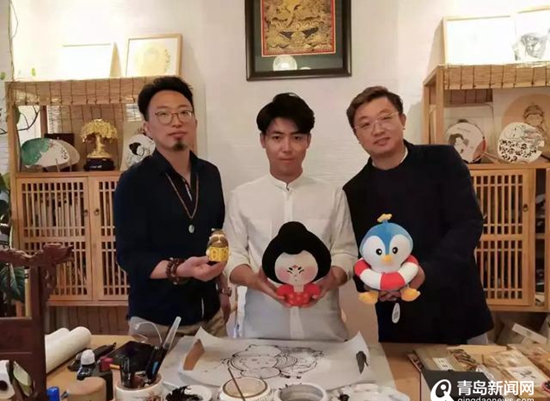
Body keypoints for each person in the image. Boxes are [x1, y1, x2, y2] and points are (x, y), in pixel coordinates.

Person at [343, 86, 493, 345]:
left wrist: (425, 272)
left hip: (458, 308)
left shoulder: (442, 160)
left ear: (402, 120)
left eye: (385, 118)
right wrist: (370, 283)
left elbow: (468, 223)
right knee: (402, 372)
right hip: (399, 319)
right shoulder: (354, 191)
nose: (377, 129)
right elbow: (358, 254)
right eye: (365, 124)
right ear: (357, 136)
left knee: (468, 372)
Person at [223, 93, 357, 341]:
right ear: (263, 140)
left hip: (324, 335)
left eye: (296, 137)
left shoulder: (332, 196)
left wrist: (330, 279)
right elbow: (232, 254)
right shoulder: (242, 197)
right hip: (261, 335)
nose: (287, 147)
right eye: (277, 137)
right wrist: (254, 280)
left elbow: (346, 251)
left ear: (308, 141)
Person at [114, 76, 231, 340]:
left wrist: (223, 290)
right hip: (157, 323)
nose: (176, 121)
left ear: (195, 122)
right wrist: (179, 269)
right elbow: (129, 256)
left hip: (210, 316)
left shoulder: (210, 174)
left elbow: (217, 235)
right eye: (163, 114)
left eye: (183, 112)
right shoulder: (133, 182)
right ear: (147, 128)